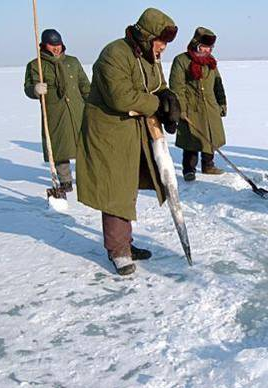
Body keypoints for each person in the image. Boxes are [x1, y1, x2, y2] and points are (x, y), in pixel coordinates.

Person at [76, 8, 181, 275]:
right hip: (110, 133)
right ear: (147, 37)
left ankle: (126, 243)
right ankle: (119, 251)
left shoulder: (149, 56)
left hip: (136, 131)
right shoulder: (114, 54)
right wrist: (158, 105)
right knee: (116, 191)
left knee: (128, 187)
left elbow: (157, 85)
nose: (163, 49)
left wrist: (169, 100)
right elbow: (121, 98)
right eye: (161, 42)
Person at [24, 29, 90, 192]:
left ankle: (86, 180)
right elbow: (27, 88)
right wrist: (35, 89)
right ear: (44, 45)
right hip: (55, 112)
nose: (56, 48)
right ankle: (65, 181)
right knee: (60, 148)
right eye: (52, 45)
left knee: (84, 146)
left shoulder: (73, 62)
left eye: (58, 44)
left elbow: (84, 85)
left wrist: (92, 103)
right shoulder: (35, 65)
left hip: (77, 110)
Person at [170, 27, 227, 181]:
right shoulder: (181, 61)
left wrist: (222, 103)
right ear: (195, 44)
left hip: (210, 106)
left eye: (209, 47)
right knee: (191, 140)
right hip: (191, 108)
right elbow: (177, 87)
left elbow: (218, 84)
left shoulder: (211, 62)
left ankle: (208, 165)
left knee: (210, 137)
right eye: (204, 47)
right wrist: (180, 108)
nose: (207, 50)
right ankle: (189, 170)